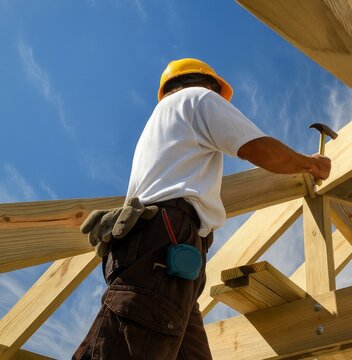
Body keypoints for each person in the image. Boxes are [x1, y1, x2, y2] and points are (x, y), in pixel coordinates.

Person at [74, 58, 330, 359]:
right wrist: (313, 165)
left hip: (163, 250)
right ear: (207, 84)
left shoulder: (160, 124)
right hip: (167, 240)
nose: (219, 100)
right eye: (217, 93)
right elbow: (257, 148)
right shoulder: (197, 98)